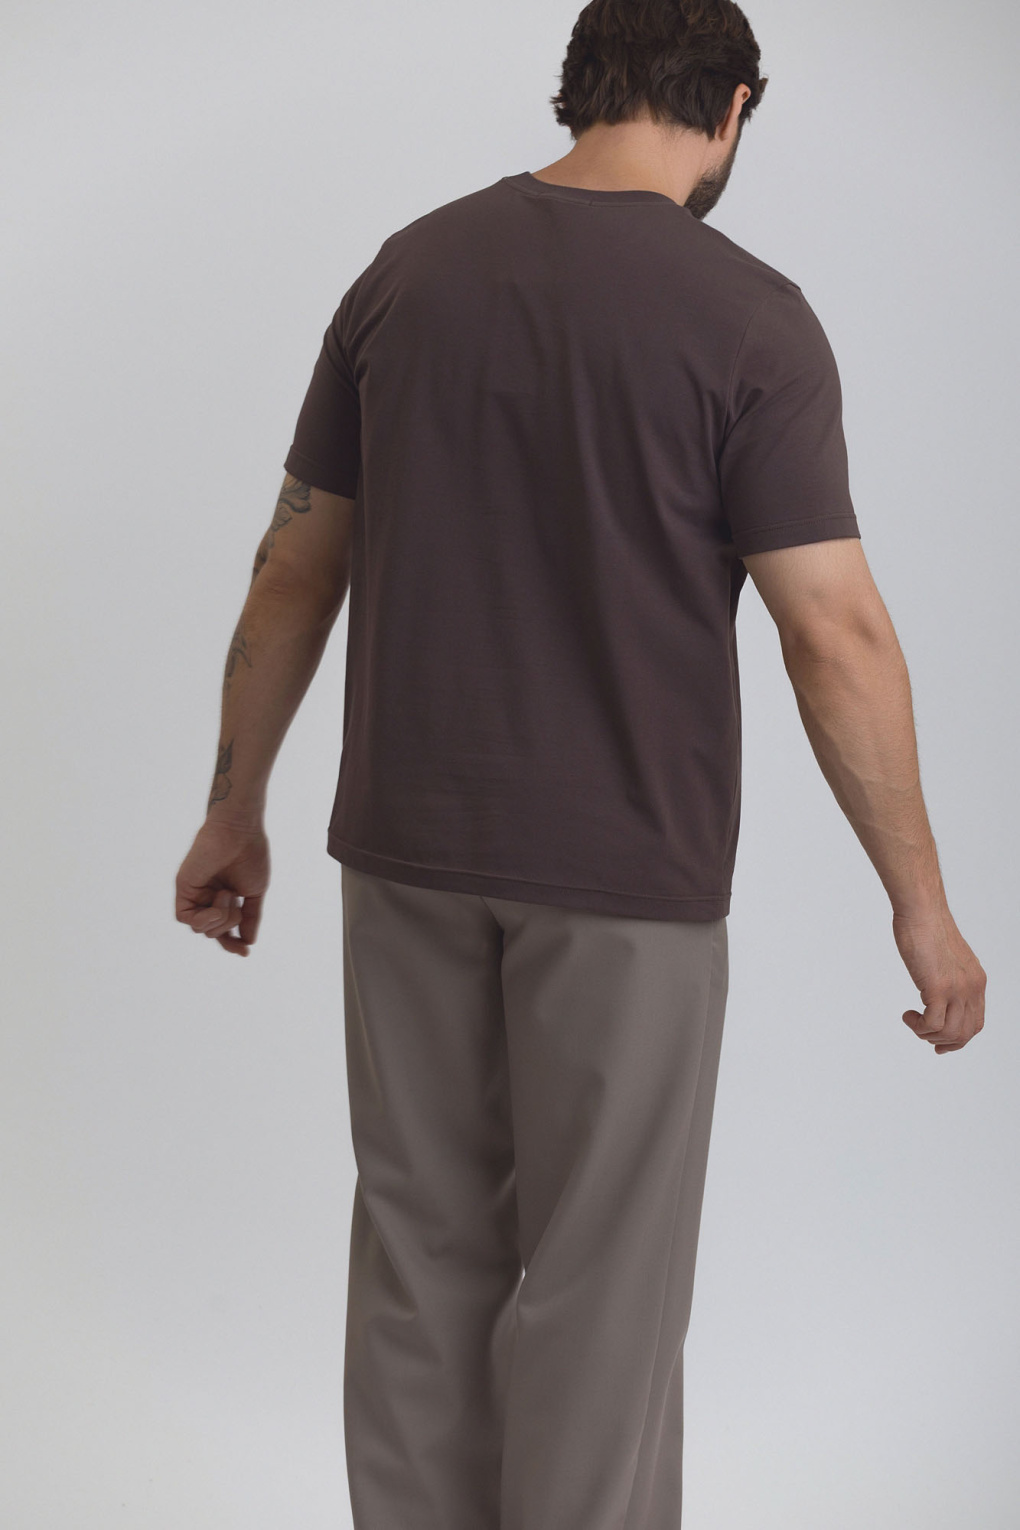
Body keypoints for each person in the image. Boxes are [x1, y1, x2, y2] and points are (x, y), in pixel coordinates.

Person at [174, 0, 987, 1524]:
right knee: (602, 1296)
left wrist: (234, 807)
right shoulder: (751, 321)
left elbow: (293, 566)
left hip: (402, 856)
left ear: (580, 89)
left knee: (418, 1259)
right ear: (732, 108)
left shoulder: (406, 275)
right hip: (626, 881)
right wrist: (923, 906)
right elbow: (837, 633)